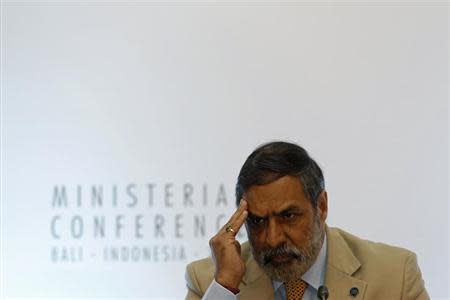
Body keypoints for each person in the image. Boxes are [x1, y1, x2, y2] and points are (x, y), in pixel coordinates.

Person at [185, 141, 430, 300]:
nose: (273, 238)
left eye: (288, 216)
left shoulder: (394, 275)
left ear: (321, 207)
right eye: (258, 221)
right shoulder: (210, 282)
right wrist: (226, 287)